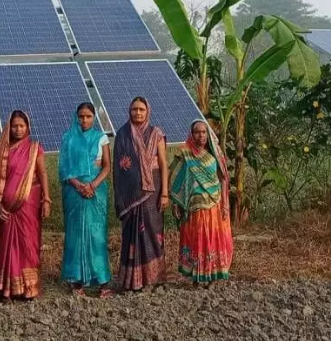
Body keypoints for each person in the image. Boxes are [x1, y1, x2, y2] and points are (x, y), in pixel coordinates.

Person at [0, 110, 50, 299]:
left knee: (27, 243)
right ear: (9, 127)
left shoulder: (34, 148)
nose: (18, 129)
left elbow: (42, 173)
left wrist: (47, 199)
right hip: (6, 208)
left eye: (22, 126)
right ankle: (7, 287)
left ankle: (29, 287)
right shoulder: (0, 151)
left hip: (29, 204)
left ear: (28, 127)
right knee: (7, 244)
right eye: (14, 126)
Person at [112, 97, 169, 292]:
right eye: (134, 109)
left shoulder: (156, 134)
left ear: (148, 111)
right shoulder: (122, 134)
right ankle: (133, 280)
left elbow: (163, 164)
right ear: (129, 111)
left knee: (152, 231)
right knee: (132, 234)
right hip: (129, 193)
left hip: (153, 190)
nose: (138, 113)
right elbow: (119, 168)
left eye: (141, 109)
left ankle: (155, 277)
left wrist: (165, 193)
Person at [170, 120, 233, 287]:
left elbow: (223, 179)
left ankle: (212, 274)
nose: (201, 135)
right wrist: (176, 203)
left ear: (208, 134)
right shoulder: (186, 154)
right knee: (197, 238)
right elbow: (178, 180)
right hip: (193, 206)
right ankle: (197, 276)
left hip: (214, 205)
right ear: (192, 135)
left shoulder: (215, 154)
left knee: (211, 238)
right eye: (197, 132)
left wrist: (225, 204)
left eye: (204, 132)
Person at [58, 102, 113, 297]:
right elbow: (64, 168)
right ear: (76, 117)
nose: (84, 120)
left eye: (88, 116)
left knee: (97, 235)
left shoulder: (101, 138)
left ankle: (103, 281)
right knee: (75, 235)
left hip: (96, 192)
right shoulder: (68, 139)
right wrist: (79, 185)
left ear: (94, 117)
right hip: (74, 192)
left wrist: (92, 185)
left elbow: (107, 166)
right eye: (81, 116)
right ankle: (77, 281)